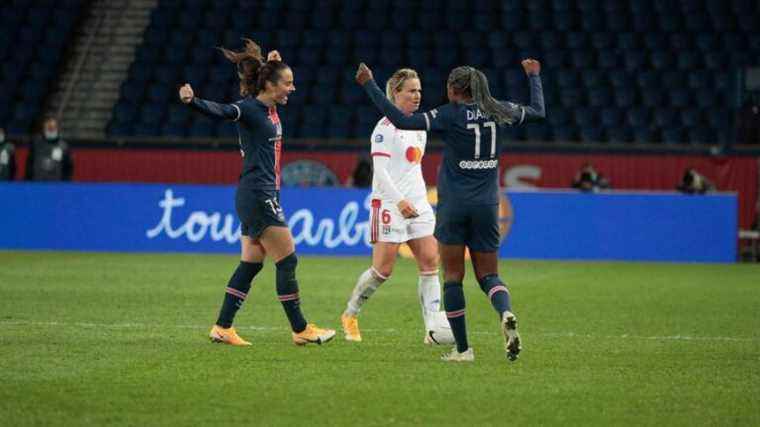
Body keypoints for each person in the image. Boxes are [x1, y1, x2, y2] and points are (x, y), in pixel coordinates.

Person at [356, 59, 545, 362]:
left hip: (455, 206)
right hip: (487, 205)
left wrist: (370, 85)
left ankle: (463, 349)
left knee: (453, 277)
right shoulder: (500, 109)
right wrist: (534, 77)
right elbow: (538, 112)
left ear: (454, 90)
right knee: (489, 275)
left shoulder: (450, 114)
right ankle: (505, 311)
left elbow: (401, 120)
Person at [179, 38, 335, 346]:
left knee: (251, 263)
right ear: (271, 86)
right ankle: (301, 329)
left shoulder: (270, 105)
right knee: (287, 260)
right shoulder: (250, 110)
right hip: (257, 193)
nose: (293, 88)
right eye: (288, 84)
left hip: (260, 194)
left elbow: (270, 79)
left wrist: (273, 63)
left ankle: (222, 327)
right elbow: (223, 111)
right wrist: (193, 101)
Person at [340, 68, 453, 345]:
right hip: (390, 203)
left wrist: (417, 198)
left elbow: (412, 167)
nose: (417, 96)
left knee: (429, 262)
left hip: (417, 202)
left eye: (419, 91)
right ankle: (350, 314)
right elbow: (380, 171)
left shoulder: (418, 127)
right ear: (395, 93)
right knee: (383, 270)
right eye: (411, 91)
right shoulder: (384, 129)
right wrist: (399, 201)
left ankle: (432, 330)